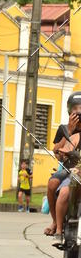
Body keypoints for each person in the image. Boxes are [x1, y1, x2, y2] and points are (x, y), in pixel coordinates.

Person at [44, 90, 81, 236]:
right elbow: (57, 154)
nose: (78, 112)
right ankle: (55, 222)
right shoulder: (63, 129)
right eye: (75, 109)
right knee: (52, 183)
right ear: (69, 110)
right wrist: (70, 131)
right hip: (69, 168)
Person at [51, 115, 81, 245]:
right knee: (63, 192)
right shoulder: (76, 136)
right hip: (77, 175)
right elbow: (61, 150)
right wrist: (63, 151)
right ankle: (58, 230)